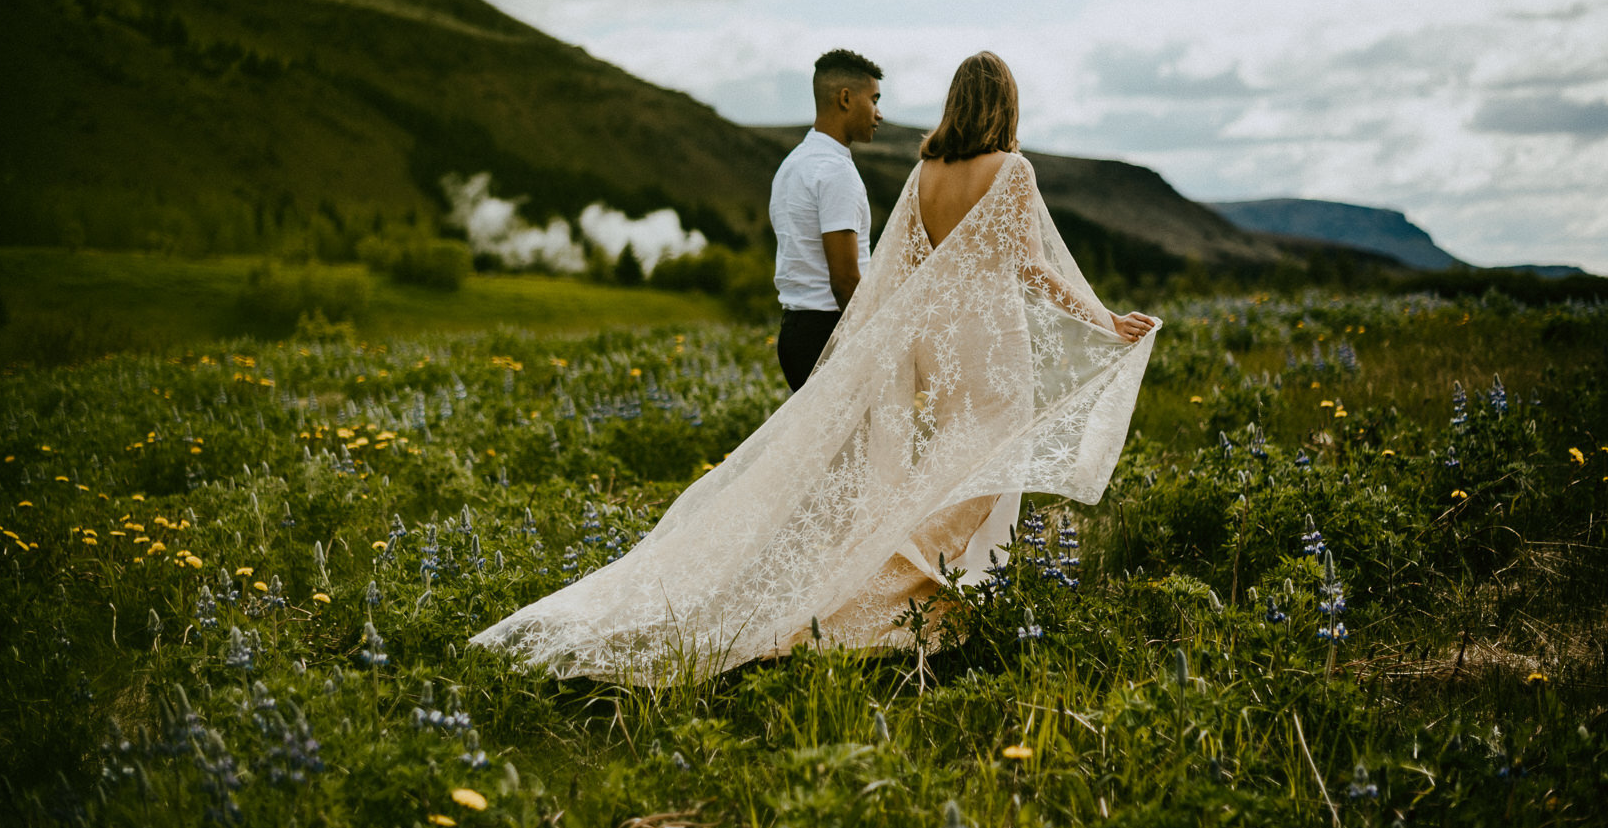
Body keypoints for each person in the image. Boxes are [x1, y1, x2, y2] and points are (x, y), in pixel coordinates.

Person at [471, 51, 1159, 684]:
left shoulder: (926, 173)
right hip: (989, 342)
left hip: (935, 344)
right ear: (1005, 104)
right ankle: (907, 605)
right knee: (982, 474)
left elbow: (912, 271)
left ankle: (945, 605)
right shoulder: (1012, 170)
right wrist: (1106, 319)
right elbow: (1031, 264)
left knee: (945, 468)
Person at [769, 49, 883, 391]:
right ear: (845, 98)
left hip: (796, 331)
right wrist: (875, 343)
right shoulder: (835, 172)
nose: (879, 114)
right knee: (857, 445)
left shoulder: (792, 164)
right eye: (874, 99)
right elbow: (845, 279)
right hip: (829, 333)